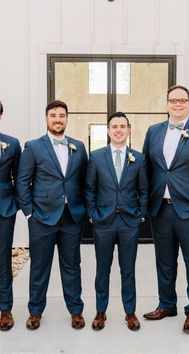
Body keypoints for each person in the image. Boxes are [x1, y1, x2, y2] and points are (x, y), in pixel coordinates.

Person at [142, 85, 189, 333]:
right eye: (173, 100)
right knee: (164, 261)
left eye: (182, 100)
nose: (177, 104)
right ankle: (167, 304)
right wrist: (145, 203)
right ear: (166, 103)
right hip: (160, 210)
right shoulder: (153, 132)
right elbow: (146, 170)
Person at [17, 100, 87, 330]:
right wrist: (29, 214)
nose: (58, 119)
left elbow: (84, 181)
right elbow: (23, 182)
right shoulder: (33, 147)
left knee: (72, 266)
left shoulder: (78, 146)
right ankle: (35, 311)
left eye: (62, 115)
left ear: (67, 118)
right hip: (42, 218)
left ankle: (76, 310)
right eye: (53, 115)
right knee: (39, 266)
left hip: (71, 217)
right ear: (46, 118)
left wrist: (83, 209)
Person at [85, 112, 148, 331]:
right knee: (103, 268)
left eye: (123, 126)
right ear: (109, 130)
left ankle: (130, 312)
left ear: (129, 130)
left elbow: (144, 190)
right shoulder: (96, 156)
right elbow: (90, 189)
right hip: (103, 221)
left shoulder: (138, 158)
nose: (118, 130)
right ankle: (100, 311)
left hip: (129, 222)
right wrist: (93, 214)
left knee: (128, 269)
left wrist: (140, 214)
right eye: (114, 126)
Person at [0, 101, 21, 331]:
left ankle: (5, 308)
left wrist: (13, 204)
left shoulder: (11, 144)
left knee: (3, 260)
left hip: (3, 210)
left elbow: (20, 178)